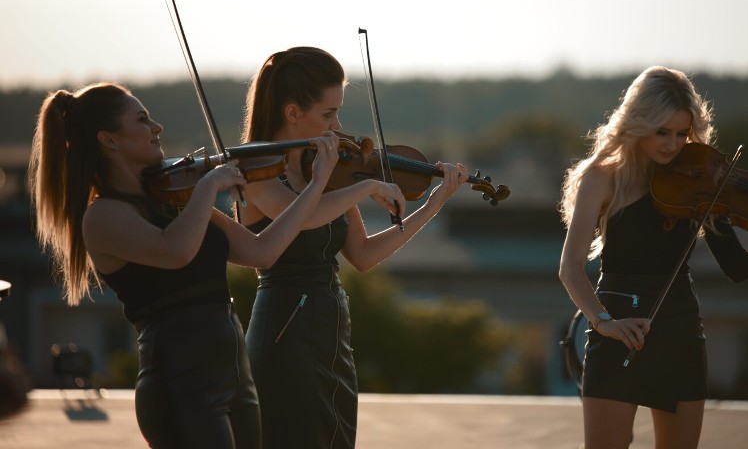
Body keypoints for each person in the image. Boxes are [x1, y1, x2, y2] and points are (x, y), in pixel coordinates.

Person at [27, 82, 340, 449]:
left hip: (235, 377)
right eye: (143, 120)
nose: (157, 127)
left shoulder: (174, 200)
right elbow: (175, 251)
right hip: (179, 382)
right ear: (109, 139)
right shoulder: (103, 216)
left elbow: (262, 252)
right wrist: (208, 187)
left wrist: (316, 185)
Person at [557, 66, 748, 449]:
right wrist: (603, 322)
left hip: (679, 333)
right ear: (638, 124)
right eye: (662, 132)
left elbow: (736, 267)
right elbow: (570, 268)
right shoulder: (602, 178)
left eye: (681, 134)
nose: (672, 145)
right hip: (618, 329)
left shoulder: (701, 181)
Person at [240, 47, 468, 448]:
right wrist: (363, 186)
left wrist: (432, 206)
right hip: (285, 331)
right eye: (328, 114)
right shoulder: (257, 172)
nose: (338, 124)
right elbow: (301, 217)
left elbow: (362, 255)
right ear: (294, 113)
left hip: (331, 328)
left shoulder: (323, 169)